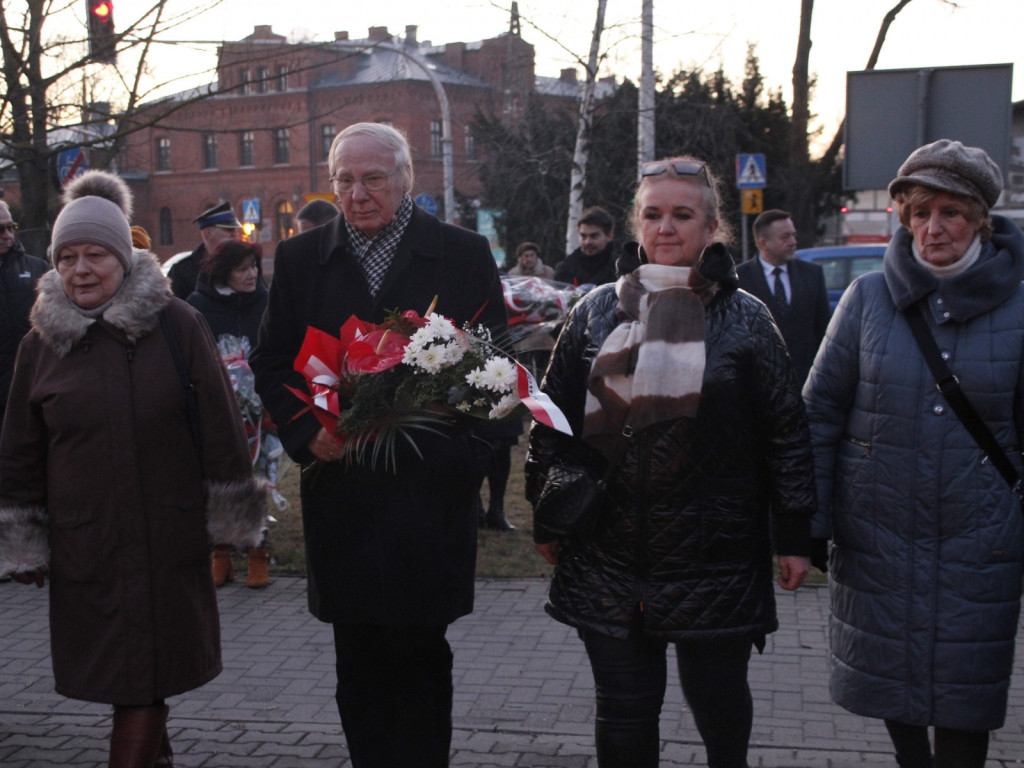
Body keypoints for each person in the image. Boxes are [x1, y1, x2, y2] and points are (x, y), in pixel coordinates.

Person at [526, 156, 814, 768]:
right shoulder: (595, 311)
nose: (666, 228)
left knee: (719, 707)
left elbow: (786, 434)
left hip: (715, 554)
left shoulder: (746, 319)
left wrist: (794, 535)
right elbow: (552, 422)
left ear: (712, 229)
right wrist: (551, 514)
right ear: (638, 223)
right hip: (609, 551)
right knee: (624, 711)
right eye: (653, 214)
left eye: (682, 215)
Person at [250, 121, 506, 768]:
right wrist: (308, 431)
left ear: (406, 179)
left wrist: (464, 457)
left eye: (373, 178)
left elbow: (497, 370)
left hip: (429, 498)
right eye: (344, 179)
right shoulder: (304, 258)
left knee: (423, 657)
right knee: (356, 660)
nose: (357, 193)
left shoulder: (461, 253)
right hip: (344, 497)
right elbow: (273, 360)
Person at [0, 170, 266, 768]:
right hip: (85, 543)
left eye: (96, 254)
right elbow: (20, 449)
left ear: (124, 258)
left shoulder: (176, 324)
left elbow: (220, 426)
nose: (82, 269)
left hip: (165, 536)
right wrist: (22, 541)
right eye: (67, 257)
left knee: (144, 682)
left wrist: (229, 516)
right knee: (128, 679)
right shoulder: (40, 345)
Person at [804, 139, 1024, 768]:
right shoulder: (867, 300)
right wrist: (808, 521)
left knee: (966, 692)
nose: (934, 227)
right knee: (891, 678)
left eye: (951, 212)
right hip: (878, 533)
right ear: (903, 218)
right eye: (919, 212)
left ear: (980, 219)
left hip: (982, 541)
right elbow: (819, 413)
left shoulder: (1020, 306)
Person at [187, 239, 274, 589]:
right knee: (219, 479)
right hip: (216, 406)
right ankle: (220, 553)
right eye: (243, 269)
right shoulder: (198, 305)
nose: (252, 274)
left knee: (259, 478)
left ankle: (258, 552)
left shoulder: (266, 302)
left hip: (261, 408)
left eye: (254, 266)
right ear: (224, 272)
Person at [736, 209, 829, 384]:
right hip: (758, 384)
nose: (793, 242)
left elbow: (823, 330)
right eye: (785, 237)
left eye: (793, 235)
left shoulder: (812, 275)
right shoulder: (740, 278)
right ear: (764, 243)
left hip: (805, 381)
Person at [0, 201, 48, 433]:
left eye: (12, 227)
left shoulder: (38, 270)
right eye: (0, 229)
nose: (8, 235)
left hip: (32, 386)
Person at [168, 201, 242, 300]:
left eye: (235, 230)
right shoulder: (182, 272)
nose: (234, 234)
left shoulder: (245, 265)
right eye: (228, 230)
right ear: (208, 233)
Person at [555, 206, 618, 286]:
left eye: (594, 236)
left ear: (609, 236)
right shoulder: (565, 269)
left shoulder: (621, 270)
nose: (588, 242)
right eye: (583, 236)